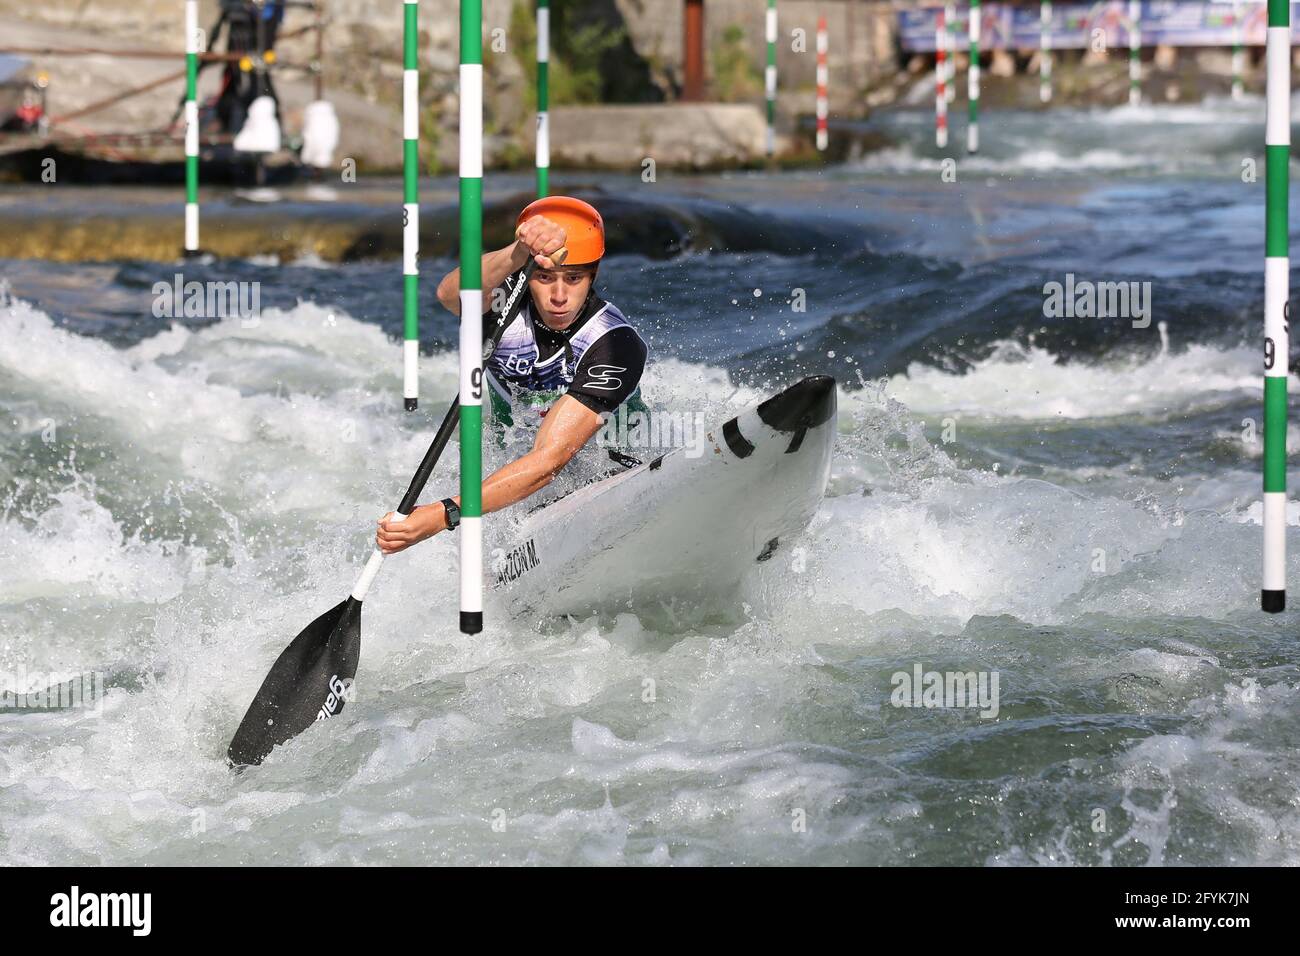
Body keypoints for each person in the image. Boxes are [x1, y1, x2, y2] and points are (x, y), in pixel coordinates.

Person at [376, 196, 648, 555]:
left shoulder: (614, 342)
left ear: (592, 276)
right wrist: (517, 253)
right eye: (545, 278)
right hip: (512, 487)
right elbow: (449, 292)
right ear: (528, 275)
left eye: (574, 278)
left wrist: (443, 515)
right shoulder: (503, 311)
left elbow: (549, 460)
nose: (559, 296)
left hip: (616, 477)